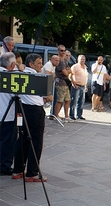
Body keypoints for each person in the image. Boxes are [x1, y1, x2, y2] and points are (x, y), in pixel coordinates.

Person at [12, 53, 53, 182]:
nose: (41, 66)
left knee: (23, 139)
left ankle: (17, 170)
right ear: (31, 64)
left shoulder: (21, 74)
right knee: (36, 142)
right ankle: (32, 173)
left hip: (23, 109)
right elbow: (49, 97)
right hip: (35, 111)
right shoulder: (37, 77)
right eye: (38, 63)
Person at [0, 52, 18, 176]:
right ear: (12, 64)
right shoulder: (10, 77)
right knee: (7, 142)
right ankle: (4, 166)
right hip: (7, 115)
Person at [54, 45, 73, 122]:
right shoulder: (59, 61)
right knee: (60, 100)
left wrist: (68, 71)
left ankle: (66, 116)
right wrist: (68, 71)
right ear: (58, 51)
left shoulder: (64, 61)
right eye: (61, 51)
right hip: (60, 82)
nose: (63, 52)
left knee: (68, 100)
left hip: (65, 83)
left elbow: (69, 70)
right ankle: (56, 116)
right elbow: (65, 73)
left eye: (64, 50)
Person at [69, 55, 88, 120]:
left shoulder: (85, 67)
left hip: (83, 86)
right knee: (74, 101)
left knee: (81, 102)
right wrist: (74, 84)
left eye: (83, 59)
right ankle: (71, 115)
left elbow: (86, 77)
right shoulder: (75, 67)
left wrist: (86, 86)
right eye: (81, 59)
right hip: (76, 86)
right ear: (77, 59)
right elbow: (70, 76)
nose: (82, 60)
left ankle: (79, 115)